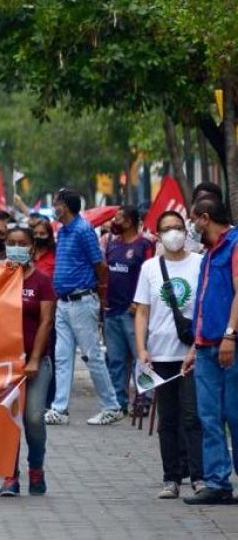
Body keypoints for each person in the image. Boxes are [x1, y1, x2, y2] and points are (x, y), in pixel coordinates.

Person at [132, 211, 204, 500]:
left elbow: (205, 307)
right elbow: (142, 311)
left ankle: (199, 477)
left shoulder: (200, 263)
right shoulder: (150, 267)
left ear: (186, 231)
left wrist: (198, 346)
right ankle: (171, 477)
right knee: (167, 418)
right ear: (158, 235)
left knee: (193, 416)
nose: (173, 233)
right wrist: (142, 349)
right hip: (159, 354)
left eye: (177, 227)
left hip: (192, 353)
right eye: (166, 229)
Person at [45, 189, 123, 426]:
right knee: (62, 357)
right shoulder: (65, 231)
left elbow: (99, 265)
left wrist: (100, 291)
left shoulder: (82, 229)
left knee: (92, 356)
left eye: (56, 204)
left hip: (81, 301)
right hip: (65, 302)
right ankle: (59, 409)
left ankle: (111, 406)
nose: (54, 208)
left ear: (65, 206)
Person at [181, 197, 238, 505]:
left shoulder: (235, 245)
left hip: (230, 346)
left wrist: (230, 335)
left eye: (193, 221)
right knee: (209, 417)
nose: (191, 227)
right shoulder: (208, 254)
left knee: (234, 414)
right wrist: (195, 346)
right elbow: (204, 304)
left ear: (205, 218)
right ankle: (217, 482)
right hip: (205, 348)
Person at [0, 226, 55, 497]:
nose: (16, 247)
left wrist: (33, 360)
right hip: (2, 365)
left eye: (22, 243)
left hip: (35, 364)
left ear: (32, 248)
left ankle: (36, 468)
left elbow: (46, 322)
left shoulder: (42, 281)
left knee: (32, 418)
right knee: (7, 422)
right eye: (11, 242)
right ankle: (10, 476)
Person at [104, 205, 157, 416]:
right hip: (112, 311)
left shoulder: (144, 245)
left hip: (134, 312)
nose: (114, 222)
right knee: (116, 360)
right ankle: (119, 402)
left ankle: (144, 399)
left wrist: (140, 302)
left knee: (140, 357)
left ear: (130, 222)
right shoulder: (111, 244)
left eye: (118, 219)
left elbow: (151, 275)